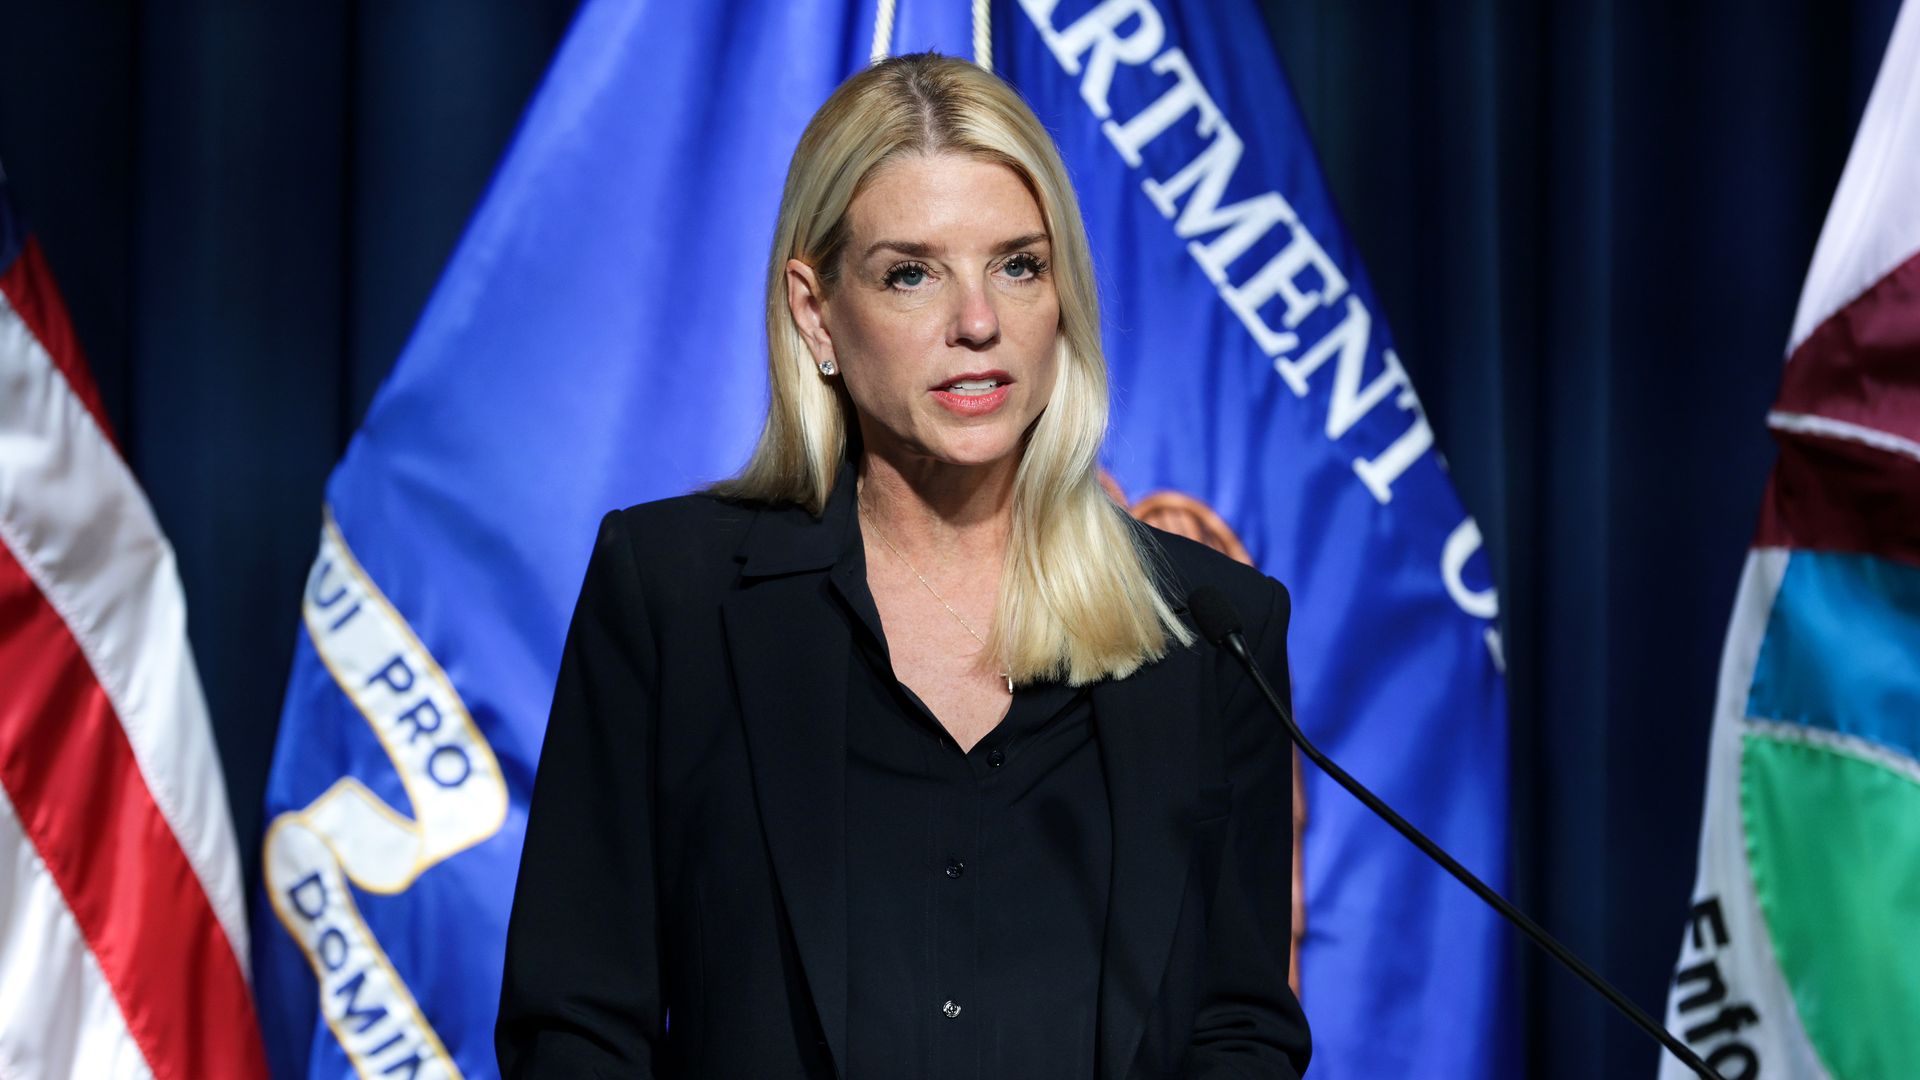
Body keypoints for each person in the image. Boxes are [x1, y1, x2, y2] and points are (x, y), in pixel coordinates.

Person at [496, 53, 1311, 1079]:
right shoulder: (672, 596)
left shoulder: (1208, 628)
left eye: (1019, 264)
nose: (979, 323)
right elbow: (575, 1025)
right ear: (815, 311)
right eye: (911, 272)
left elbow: (1241, 1027)